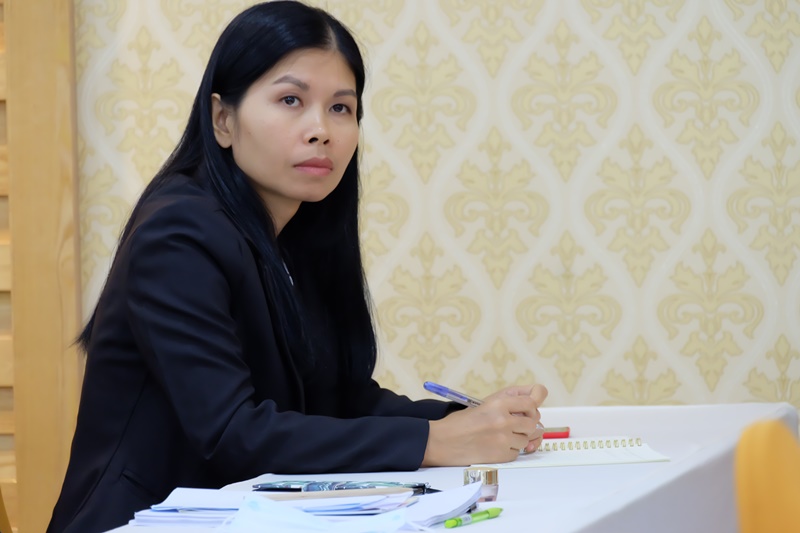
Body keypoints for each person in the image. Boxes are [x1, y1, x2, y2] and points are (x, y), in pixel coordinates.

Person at [47, 2, 548, 532]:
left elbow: (337, 399)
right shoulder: (177, 234)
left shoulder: (294, 232)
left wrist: (470, 420)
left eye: (341, 108)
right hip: (138, 523)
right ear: (222, 119)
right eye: (291, 100)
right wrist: (434, 442)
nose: (321, 129)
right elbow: (233, 434)